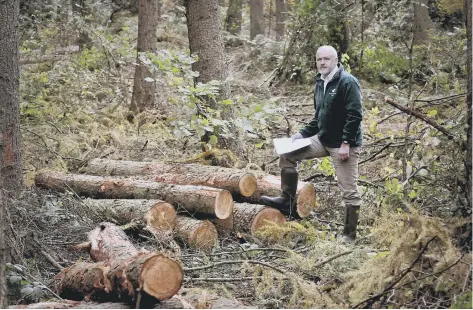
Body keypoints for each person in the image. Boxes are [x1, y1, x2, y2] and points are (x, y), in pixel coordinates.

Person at [260, 45, 363, 241]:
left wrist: (347, 143)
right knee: (288, 154)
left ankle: (350, 235)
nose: (322, 63)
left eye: (327, 59)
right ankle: (287, 201)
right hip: (323, 138)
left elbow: (355, 115)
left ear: (335, 60)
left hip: (342, 144)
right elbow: (319, 117)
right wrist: (301, 134)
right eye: (319, 59)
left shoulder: (347, 82)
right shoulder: (320, 82)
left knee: (348, 188)